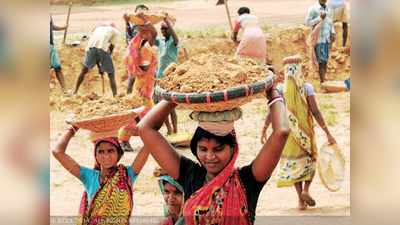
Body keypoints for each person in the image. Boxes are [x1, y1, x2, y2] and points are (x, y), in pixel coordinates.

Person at [137, 88, 290, 223]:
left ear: (232, 149)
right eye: (203, 149)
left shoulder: (247, 180)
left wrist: (272, 92)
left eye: (218, 149)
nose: (210, 157)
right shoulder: (190, 175)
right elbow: (145, 128)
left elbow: (281, 132)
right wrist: (176, 94)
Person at [260, 55, 336, 210]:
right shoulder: (307, 88)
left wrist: (264, 129)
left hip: (288, 134)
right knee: (310, 160)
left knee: (294, 163)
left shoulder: (280, 89)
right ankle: (306, 190)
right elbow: (315, 111)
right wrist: (327, 132)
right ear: (299, 70)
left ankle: (300, 199)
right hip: (306, 132)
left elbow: (271, 112)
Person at [52, 126, 150, 224]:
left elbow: (149, 143)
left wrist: (143, 125)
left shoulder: (127, 175)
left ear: (118, 153)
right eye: (101, 152)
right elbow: (57, 152)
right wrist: (73, 128)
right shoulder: (88, 176)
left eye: (111, 151)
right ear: (96, 155)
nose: (106, 156)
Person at [118, 13, 158, 152]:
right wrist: (145, 18)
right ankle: (149, 139)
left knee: (137, 113)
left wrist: (127, 23)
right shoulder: (145, 45)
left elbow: (130, 36)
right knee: (146, 114)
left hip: (143, 83)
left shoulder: (138, 45)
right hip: (143, 84)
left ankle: (124, 139)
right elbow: (154, 31)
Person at [73, 22, 119, 96]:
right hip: (102, 49)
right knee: (111, 74)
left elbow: (95, 49)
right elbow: (111, 47)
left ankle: (75, 91)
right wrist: (105, 62)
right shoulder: (115, 31)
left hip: (91, 49)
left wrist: (100, 66)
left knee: (83, 70)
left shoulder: (98, 29)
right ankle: (115, 95)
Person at [153, 18, 179, 135]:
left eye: (166, 28)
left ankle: (175, 131)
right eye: (162, 29)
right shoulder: (161, 41)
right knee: (159, 105)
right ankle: (169, 129)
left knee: (170, 106)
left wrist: (166, 20)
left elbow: (174, 35)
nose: (164, 31)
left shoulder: (174, 42)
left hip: (170, 78)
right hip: (160, 77)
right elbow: (151, 37)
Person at [305, 0, 336, 85]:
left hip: (327, 39)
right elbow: (307, 23)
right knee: (321, 62)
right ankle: (322, 83)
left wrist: (333, 32)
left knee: (325, 62)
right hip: (318, 40)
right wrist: (319, 18)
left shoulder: (328, 10)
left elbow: (330, 24)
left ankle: (323, 82)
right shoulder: (313, 9)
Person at [123, 4, 149, 94]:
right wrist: (127, 23)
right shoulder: (133, 27)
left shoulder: (148, 26)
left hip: (144, 54)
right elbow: (129, 40)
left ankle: (142, 98)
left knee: (145, 77)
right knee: (132, 78)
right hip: (133, 54)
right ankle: (129, 98)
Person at [50, 13, 68, 92]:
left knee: (57, 67)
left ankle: (64, 90)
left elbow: (52, 26)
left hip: (51, 45)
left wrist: (63, 27)